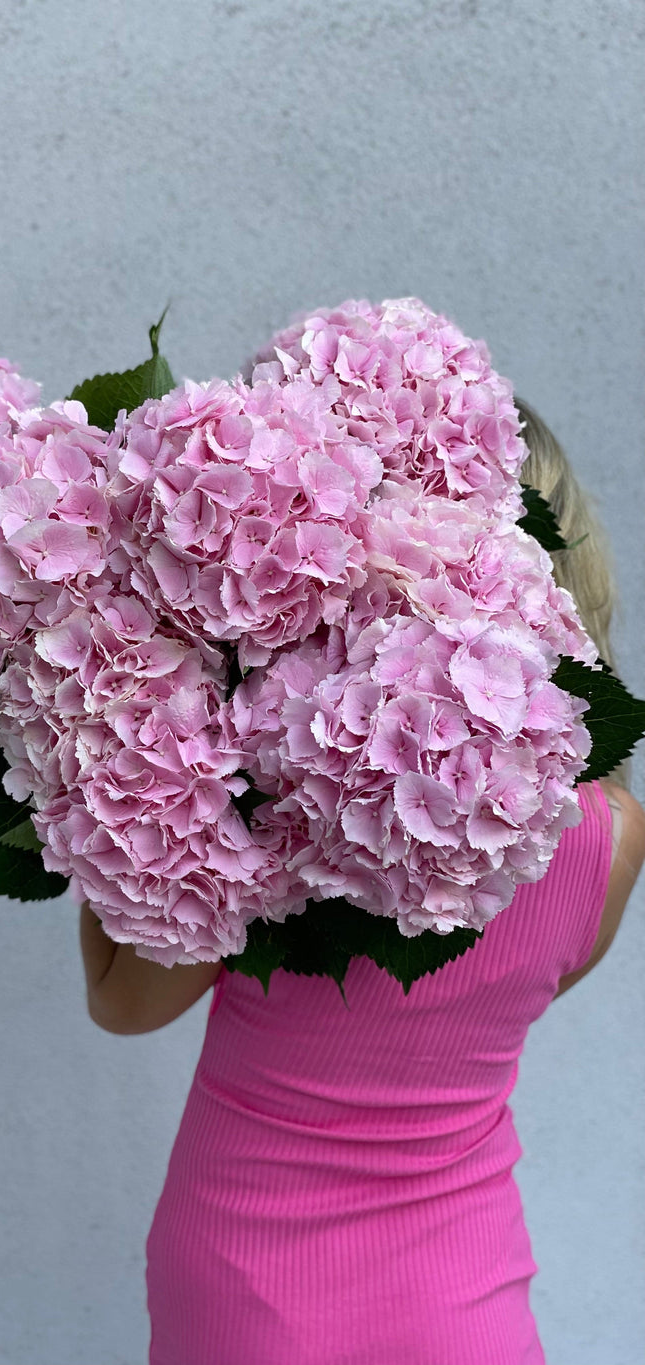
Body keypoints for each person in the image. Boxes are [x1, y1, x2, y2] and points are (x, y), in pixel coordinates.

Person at [78, 396, 645, 1364]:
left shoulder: (269, 789)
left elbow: (125, 1005)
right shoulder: (610, 834)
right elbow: (527, 990)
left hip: (247, 1279)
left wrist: (111, 784)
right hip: (462, 1287)